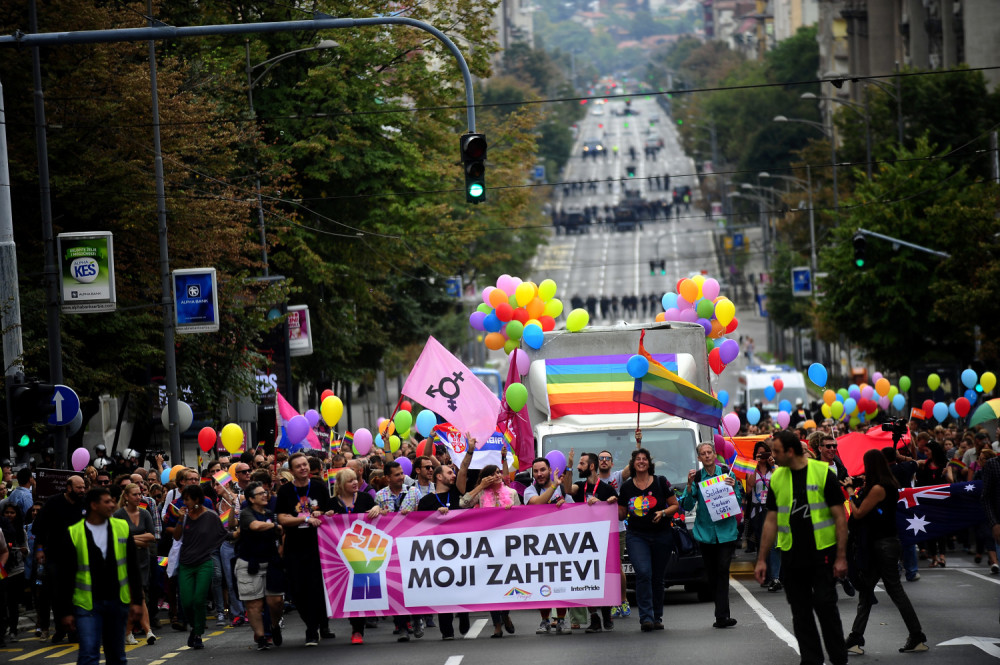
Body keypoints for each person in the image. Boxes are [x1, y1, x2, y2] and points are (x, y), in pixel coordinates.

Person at [754, 430, 849, 665]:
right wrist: (762, 559)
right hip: (792, 555)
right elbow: (771, 521)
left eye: (776, 451)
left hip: (822, 553)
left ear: (790, 451)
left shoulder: (822, 473)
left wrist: (841, 557)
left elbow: (839, 518)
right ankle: (811, 660)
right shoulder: (777, 478)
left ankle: (838, 658)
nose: (772, 456)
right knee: (800, 612)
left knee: (826, 606)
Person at [844, 450, 927, 655]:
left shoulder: (879, 488)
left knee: (894, 591)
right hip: (883, 545)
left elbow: (859, 512)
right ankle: (855, 638)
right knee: (867, 590)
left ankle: (916, 636)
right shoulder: (887, 484)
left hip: (883, 546)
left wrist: (850, 492)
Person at [54, 487, 144, 665]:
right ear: (94, 505)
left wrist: (137, 602)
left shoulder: (122, 527)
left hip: (117, 602)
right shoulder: (74, 532)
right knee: (88, 654)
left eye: (112, 501)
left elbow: (133, 568)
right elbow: (64, 577)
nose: (112, 505)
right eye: (107, 501)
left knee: (117, 656)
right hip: (87, 605)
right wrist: (64, 612)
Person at [276, 452, 333, 646]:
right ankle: (314, 622)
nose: (303, 468)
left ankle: (313, 628)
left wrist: (323, 512)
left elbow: (329, 511)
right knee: (298, 590)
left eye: (305, 465)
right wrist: (305, 518)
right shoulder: (285, 492)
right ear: (291, 471)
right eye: (299, 466)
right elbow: (282, 519)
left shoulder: (319, 487)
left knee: (317, 588)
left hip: (319, 546)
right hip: (295, 547)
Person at [681, 443, 742, 628]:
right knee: (713, 575)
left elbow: (738, 502)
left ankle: (722, 616)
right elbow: (687, 505)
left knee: (723, 570)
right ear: (699, 458)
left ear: (715, 455)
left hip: (726, 533)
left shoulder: (726, 474)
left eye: (709, 452)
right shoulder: (698, 478)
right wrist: (690, 486)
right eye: (703, 454)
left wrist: (733, 489)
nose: (707, 456)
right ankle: (721, 613)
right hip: (706, 533)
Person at [618, 447, 678, 633]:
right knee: (643, 573)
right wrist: (611, 503)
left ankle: (657, 616)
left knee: (657, 578)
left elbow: (675, 505)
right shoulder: (626, 487)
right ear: (633, 463)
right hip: (637, 536)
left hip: (662, 535)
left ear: (649, 463)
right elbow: (621, 515)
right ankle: (646, 617)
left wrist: (663, 512)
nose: (641, 461)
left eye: (644, 459)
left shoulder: (661, 482)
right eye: (638, 459)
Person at [416, 463, 470, 640]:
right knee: (443, 589)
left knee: (462, 585)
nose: (453, 475)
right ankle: (446, 630)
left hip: (461, 549)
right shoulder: (425, 502)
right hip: (437, 552)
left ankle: (463, 615)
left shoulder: (456, 494)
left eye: (453, 472)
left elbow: (463, 470)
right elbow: (419, 526)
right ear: (439, 477)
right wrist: (435, 515)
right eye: (449, 472)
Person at [33, 474, 87, 644]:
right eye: (79, 487)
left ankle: (74, 630)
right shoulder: (52, 503)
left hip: (78, 557)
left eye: (83, 487)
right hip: (55, 556)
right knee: (57, 594)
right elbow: (39, 528)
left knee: (76, 594)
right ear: (69, 487)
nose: (82, 490)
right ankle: (60, 629)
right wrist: (40, 549)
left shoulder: (84, 504)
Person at [524, 454, 574, 634]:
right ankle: (544, 620)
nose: (539, 474)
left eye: (543, 470)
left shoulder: (563, 490)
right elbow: (537, 503)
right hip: (537, 545)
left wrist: (564, 505)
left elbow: (574, 510)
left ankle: (561, 620)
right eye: (535, 471)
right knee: (540, 583)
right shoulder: (529, 490)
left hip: (560, 544)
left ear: (550, 470)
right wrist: (554, 487)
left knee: (561, 582)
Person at [173, 484, 227, 650]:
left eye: (187, 499)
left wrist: (241, 533)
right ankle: (195, 626)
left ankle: (197, 634)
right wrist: (181, 518)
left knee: (199, 599)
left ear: (196, 500)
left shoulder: (210, 516)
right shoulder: (185, 516)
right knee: (187, 602)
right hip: (186, 564)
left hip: (204, 562)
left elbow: (223, 534)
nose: (184, 502)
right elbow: (176, 536)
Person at [568, 452, 617, 633]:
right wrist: (569, 466)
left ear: (591, 466)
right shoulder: (579, 486)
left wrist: (610, 502)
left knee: (603, 578)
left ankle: (606, 611)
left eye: (581, 464)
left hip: (602, 540)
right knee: (585, 578)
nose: (579, 467)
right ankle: (594, 617)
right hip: (581, 541)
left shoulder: (607, 489)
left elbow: (619, 513)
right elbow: (566, 489)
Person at [373, 462, 422, 642]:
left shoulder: (413, 492)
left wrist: (413, 514)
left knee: (413, 584)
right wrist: (380, 513)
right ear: (387, 478)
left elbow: (422, 516)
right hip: (390, 549)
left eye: (402, 473)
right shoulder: (380, 496)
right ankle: (401, 626)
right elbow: (375, 521)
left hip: (411, 545)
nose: (401, 477)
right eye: (397, 475)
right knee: (395, 588)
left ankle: (417, 618)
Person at [332, 467, 381, 644]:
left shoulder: (366, 498)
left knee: (359, 589)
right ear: (340, 484)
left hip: (363, 553)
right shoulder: (332, 503)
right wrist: (323, 515)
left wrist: (377, 508)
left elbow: (381, 514)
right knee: (346, 591)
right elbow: (321, 519)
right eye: (350, 480)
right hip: (340, 555)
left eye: (355, 479)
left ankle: (357, 629)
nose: (355, 483)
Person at [235, 481, 284, 651]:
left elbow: (283, 533)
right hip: (250, 562)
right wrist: (275, 526)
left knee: (276, 601)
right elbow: (255, 526)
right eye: (260, 493)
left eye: (265, 492)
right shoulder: (246, 514)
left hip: (271, 562)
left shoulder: (271, 513)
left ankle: (274, 625)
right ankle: (262, 638)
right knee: (254, 604)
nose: (265, 495)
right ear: (251, 499)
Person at [113, 484, 156, 645]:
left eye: (140, 494)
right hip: (125, 560)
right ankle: (147, 631)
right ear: (126, 497)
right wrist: (137, 540)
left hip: (143, 560)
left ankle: (128, 632)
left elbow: (152, 536)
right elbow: (117, 538)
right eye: (135, 495)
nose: (139, 497)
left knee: (137, 596)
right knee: (137, 596)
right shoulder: (118, 515)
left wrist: (130, 538)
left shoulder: (145, 513)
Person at [597, 449, 631, 617]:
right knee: (603, 568)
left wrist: (637, 443)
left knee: (617, 567)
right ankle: (610, 602)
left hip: (617, 529)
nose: (604, 460)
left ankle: (623, 600)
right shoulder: (593, 481)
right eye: (601, 458)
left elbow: (633, 466)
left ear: (611, 463)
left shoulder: (617, 477)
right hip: (598, 531)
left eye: (607, 458)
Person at [1, 503, 28, 642]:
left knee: (13, 602)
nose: (10, 515)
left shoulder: (20, 531)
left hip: (16, 570)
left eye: (12, 513)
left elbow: (27, 550)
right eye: (7, 513)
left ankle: (13, 630)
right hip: (3, 570)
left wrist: (24, 551)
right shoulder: (1, 530)